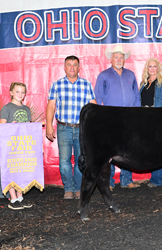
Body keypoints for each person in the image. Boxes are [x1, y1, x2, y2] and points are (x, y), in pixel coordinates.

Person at [46, 55, 97, 199]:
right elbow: (51, 106)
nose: (72, 67)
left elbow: (93, 106)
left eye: (75, 65)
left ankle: (79, 188)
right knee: (64, 160)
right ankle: (68, 188)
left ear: (79, 68)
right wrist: (49, 125)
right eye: (69, 64)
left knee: (82, 159)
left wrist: (97, 127)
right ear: (64, 67)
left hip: (82, 129)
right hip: (64, 128)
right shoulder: (57, 85)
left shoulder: (86, 85)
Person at [95, 45, 140, 190]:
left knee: (129, 150)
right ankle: (109, 181)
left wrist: (137, 113)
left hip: (129, 118)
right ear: (111, 59)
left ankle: (127, 180)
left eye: (121, 57)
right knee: (110, 151)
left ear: (124, 59)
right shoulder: (103, 75)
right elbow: (97, 96)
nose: (119, 59)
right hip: (111, 119)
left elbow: (136, 95)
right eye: (116, 57)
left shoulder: (130, 74)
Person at [140, 58, 162, 188]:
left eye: (155, 66)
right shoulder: (143, 84)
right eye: (150, 67)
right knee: (151, 150)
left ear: (158, 68)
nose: (152, 69)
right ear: (147, 69)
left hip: (159, 121)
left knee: (159, 150)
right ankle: (155, 178)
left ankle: (158, 179)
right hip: (145, 120)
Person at [0, 82, 33, 210]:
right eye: (17, 91)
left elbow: (29, 127)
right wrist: (10, 126)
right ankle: (13, 198)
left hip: (23, 146)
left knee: (22, 170)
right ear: (11, 93)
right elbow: (2, 127)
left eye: (22, 92)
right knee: (12, 170)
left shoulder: (26, 109)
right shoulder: (7, 108)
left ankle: (20, 197)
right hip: (11, 146)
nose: (20, 94)